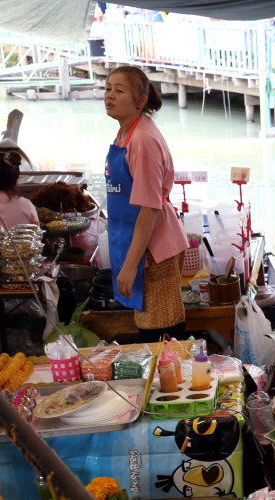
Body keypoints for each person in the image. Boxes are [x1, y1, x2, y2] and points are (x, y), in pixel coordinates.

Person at [104, 65, 188, 342]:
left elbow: (149, 208)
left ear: (140, 101)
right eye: (107, 89)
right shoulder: (126, 132)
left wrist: (130, 265)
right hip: (135, 238)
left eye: (119, 90)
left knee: (160, 329)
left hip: (153, 246)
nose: (110, 95)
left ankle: (179, 381)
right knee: (148, 322)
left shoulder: (142, 139)